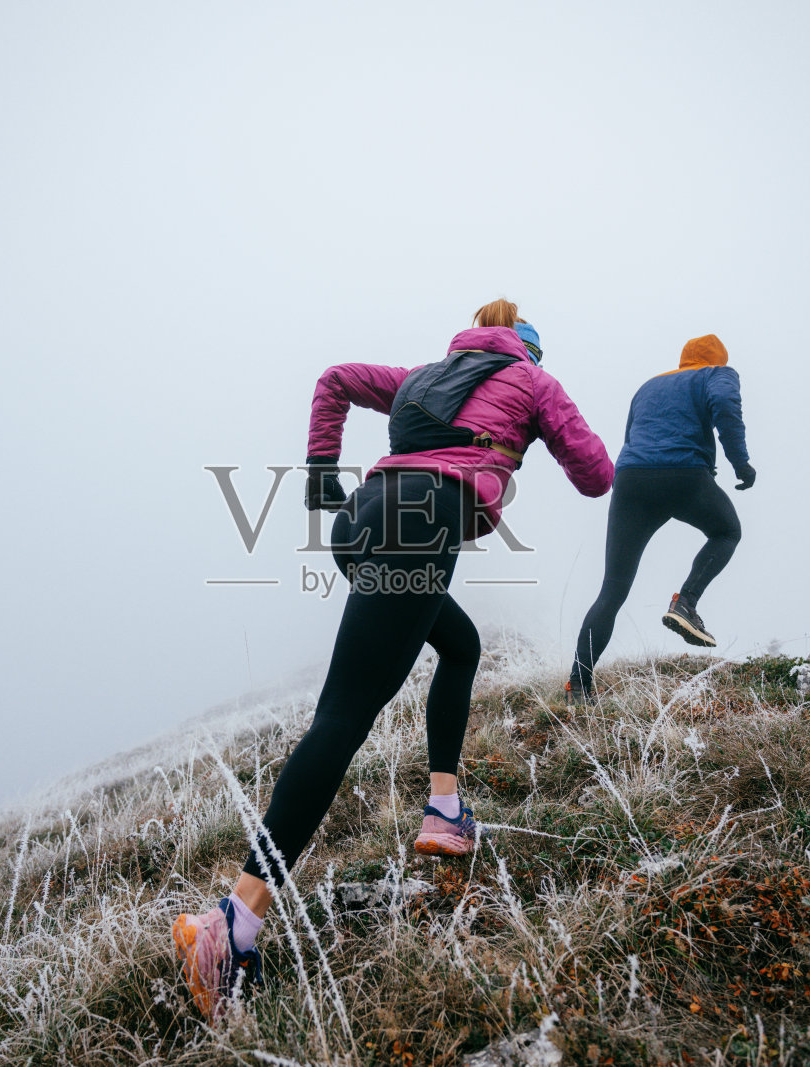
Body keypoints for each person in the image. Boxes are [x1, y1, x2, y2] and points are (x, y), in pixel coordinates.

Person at [173, 298, 613, 1019]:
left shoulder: (421, 376)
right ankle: (230, 927)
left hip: (365, 517)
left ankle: (444, 810)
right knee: (344, 717)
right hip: (423, 519)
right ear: (526, 347)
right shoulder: (532, 381)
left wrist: (322, 474)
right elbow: (595, 475)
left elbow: (336, 377)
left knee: (460, 645)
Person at [566, 333, 754, 700]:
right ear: (717, 359)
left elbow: (632, 435)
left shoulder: (647, 387)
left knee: (612, 590)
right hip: (684, 475)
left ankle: (579, 684)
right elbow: (726, 406)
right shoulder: (717, 374)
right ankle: (686, 602)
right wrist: (740, 462)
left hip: (633, 481)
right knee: (727, 531)